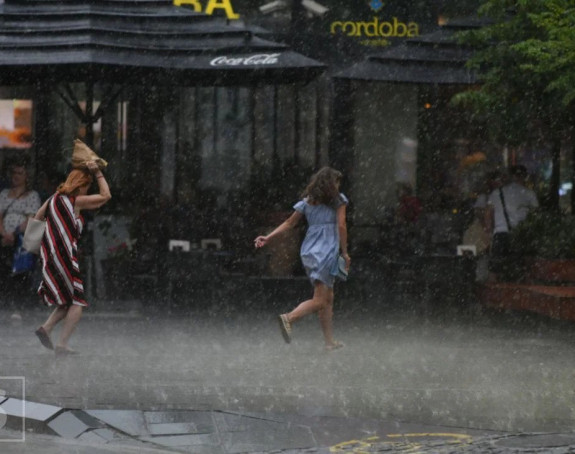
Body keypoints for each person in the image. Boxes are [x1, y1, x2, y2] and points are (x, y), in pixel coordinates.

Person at [254, 167, 350, 351]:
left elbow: (289, 223)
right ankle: (289, 318)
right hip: (327, 249)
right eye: (337, 182)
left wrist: (268, 237)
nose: (338, 186)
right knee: (321, 300)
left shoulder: (308, 201)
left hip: (310, 249)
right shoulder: (339, 200)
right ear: (332, 184)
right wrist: (344, 252)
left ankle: (329, 342)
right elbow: (341, 225)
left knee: (327, 297)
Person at [33, 160, 111, 356]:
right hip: (65, 256)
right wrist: (98, 173)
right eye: (86, 186)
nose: (87, 191)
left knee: (67, 300)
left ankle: (46, 328)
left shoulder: (53, 199)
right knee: (77, 301)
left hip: (50, 255)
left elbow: (37, 218)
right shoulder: (74, 201)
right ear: (81, 185)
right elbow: (105, 196)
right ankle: (62, 344)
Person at [0, 161, 41, 319]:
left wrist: (15, 233)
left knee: (20, 272)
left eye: (19, 173)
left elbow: (31, 218)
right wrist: (4, 233)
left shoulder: (32, 196)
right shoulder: (4, 194)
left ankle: (18, 305)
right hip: (4, 237)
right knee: (4, 270)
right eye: (14, 173)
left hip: (20, 238)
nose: (15, 177)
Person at [485, 165, 538, 282]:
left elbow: (488, 214)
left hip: (500, 234)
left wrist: (489, 233)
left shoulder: (496, 193)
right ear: (525, 176)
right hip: (521, 235)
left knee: (494, 269)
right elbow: (535, 215)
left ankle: (493, 294)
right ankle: (522, 293)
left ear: (510, 176)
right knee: (524, 268)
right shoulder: (529, 194)